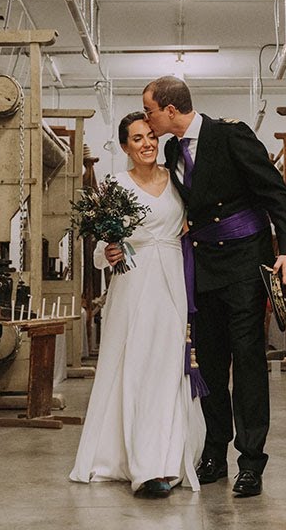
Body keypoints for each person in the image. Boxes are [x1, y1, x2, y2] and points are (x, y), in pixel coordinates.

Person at [142, 75, 286, 498]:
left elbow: (276, 196)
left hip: (245, 264)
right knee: (209, 364)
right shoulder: (173, 149)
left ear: (170, 110)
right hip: (203, 268)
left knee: (247, 360)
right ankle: (215, 451)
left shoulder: (230, 135)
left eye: (149, 111)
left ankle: (251, 462)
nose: (147, 118)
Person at [69, 112, 207, 498]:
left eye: (150, 136)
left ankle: (165, 459)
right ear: (126, 146)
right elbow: (99, 253)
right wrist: (108, 253)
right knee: (133, 366)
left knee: (166, 368)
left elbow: (190, 225)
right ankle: (140, 465)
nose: (147, 143)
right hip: (132, 283)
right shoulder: (115, 185)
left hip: (173, 284)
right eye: (137, 138)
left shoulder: (177, 181)